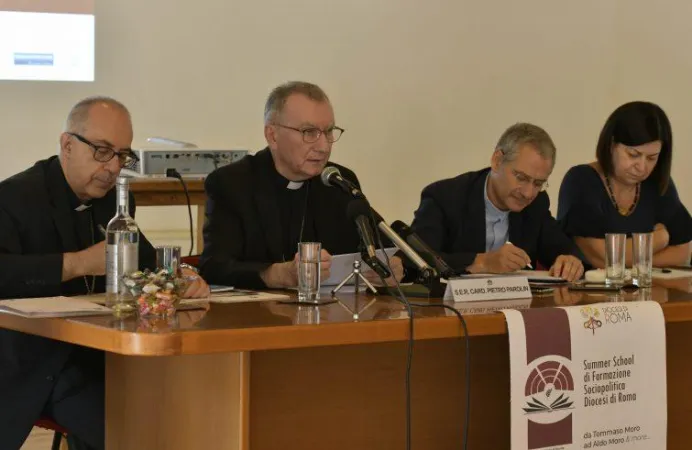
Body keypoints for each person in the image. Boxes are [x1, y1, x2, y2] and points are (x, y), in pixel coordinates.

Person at [0, 96, 210, 450]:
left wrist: (181, 276)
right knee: (128, 428)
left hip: (103, 355)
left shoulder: (113, 200)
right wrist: (77, 263)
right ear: (67, 144)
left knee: (181, 406)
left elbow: (146, 261)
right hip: (37, 361)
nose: (113, 167)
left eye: (122, 155)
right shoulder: (15, 197)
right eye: (102, 151)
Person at [199, 81, 403, 289]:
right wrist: (278, 274)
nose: (323, 146)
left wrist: (394, 267)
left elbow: (383, 249)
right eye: (309, 132)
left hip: (332, 316)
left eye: (329, 131)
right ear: (272, 135)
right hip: (261, 317)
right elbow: (215, 267)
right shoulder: (232, 183)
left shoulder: (337, 181)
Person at [409, 123, 584, 282]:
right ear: (497, 160)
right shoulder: (444, 197)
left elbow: (564, 249)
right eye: (521, 177)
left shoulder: (536, 204)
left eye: (538, 183)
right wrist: (482, 262)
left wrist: (570, 261)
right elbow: (416, 260)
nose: (528, 192)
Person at [557, 101, 692, 268]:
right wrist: (659, 239)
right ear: (612, 144)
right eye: (633, 154)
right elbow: (602, 259)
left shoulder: (657, 183)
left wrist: (631, 261)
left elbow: (683, 252)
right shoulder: (581, 180)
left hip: (649, 291)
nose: (642, 167)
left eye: (652, 158)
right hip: (590, 292)